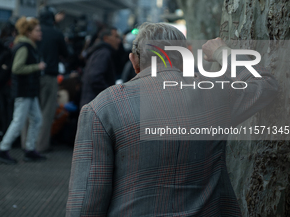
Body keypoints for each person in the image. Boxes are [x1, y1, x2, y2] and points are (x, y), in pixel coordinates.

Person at [66, 22, 278, 216]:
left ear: (134, 61)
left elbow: (86, 201)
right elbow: (266, 85)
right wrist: (223, 53)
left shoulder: (101, 108)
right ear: (187, 55)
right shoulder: (216, 94)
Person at [0, 17, 46, 164]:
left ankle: (29, 149)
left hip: (28, 90)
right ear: (28, 32)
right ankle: (3, 149)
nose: (40, 32)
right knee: (19, 122)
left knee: (36, 119)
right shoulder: (24, 47)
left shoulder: (27, 45)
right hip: (24, 91)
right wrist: (37, 67)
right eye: (37, 30)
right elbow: (17, 68)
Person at [32, 6, 68, 153]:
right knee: (47, 112)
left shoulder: (34, 33)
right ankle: (41, 145)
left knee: (31, 111)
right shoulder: (56, 33)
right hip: (50, 76)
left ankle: (27, 144)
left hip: (33, 75)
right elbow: (66, 53)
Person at [79, 27, 120, 109]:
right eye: (116, 37)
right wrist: (110, 94)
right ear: (106, 38)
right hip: (95, 105)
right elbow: (95, 77)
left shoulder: (100, 51)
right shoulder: (103, 53)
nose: (119, 40)